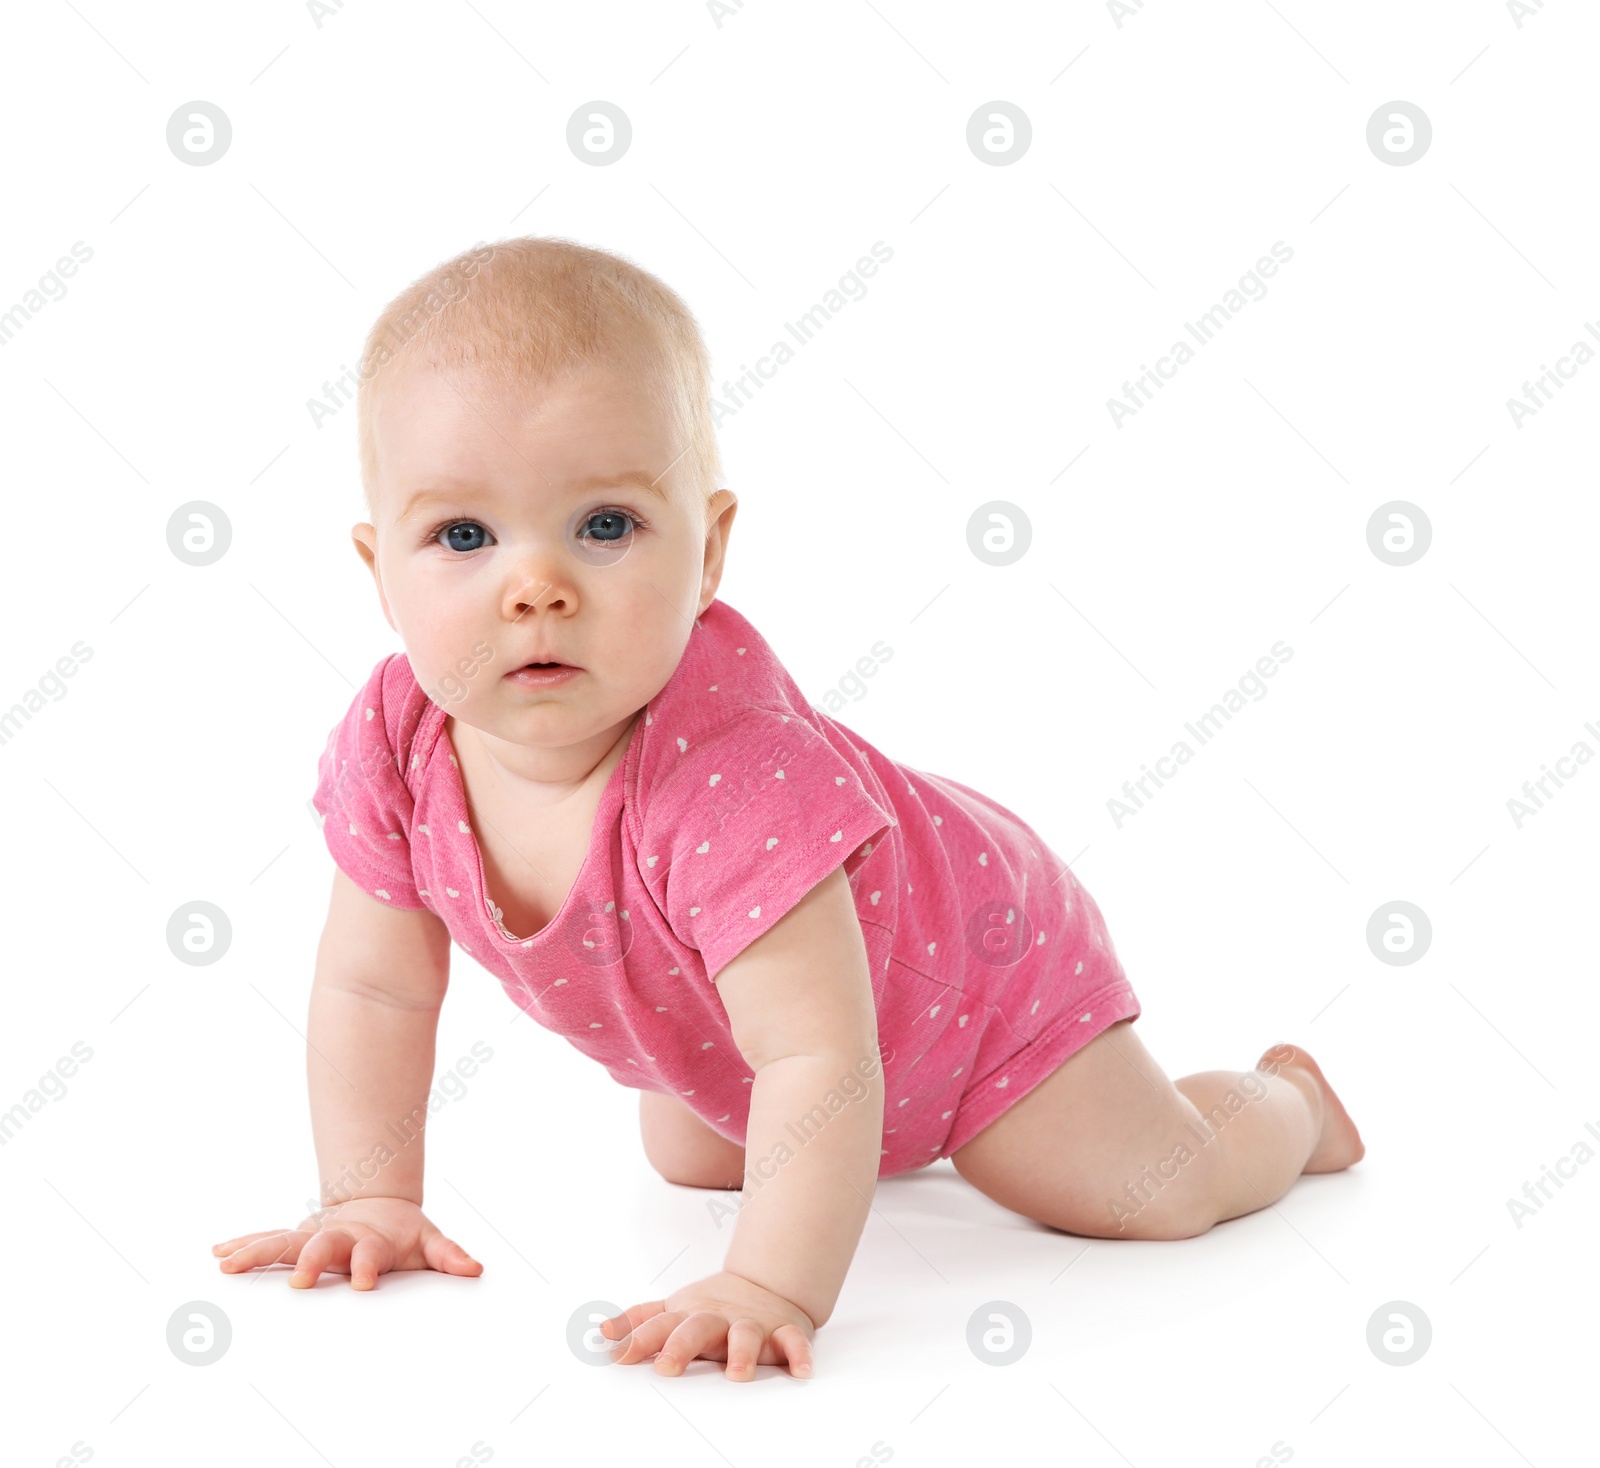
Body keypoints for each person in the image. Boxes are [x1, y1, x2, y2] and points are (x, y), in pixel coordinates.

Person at [212, 236, 1363, 1382]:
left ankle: (1287, 1107)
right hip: (747, 1049)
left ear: (707, 549)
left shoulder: (731, 779)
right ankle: (834, 1159)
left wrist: (767, 1283)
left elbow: (823, 1054)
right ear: (379, 572)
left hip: (976, 994)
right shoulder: (398, 741)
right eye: (463, 536)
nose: (537, 586)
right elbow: (373, 985)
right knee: (693, 1154)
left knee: (1143, 1190)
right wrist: (369, 1196)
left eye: (606, 526)